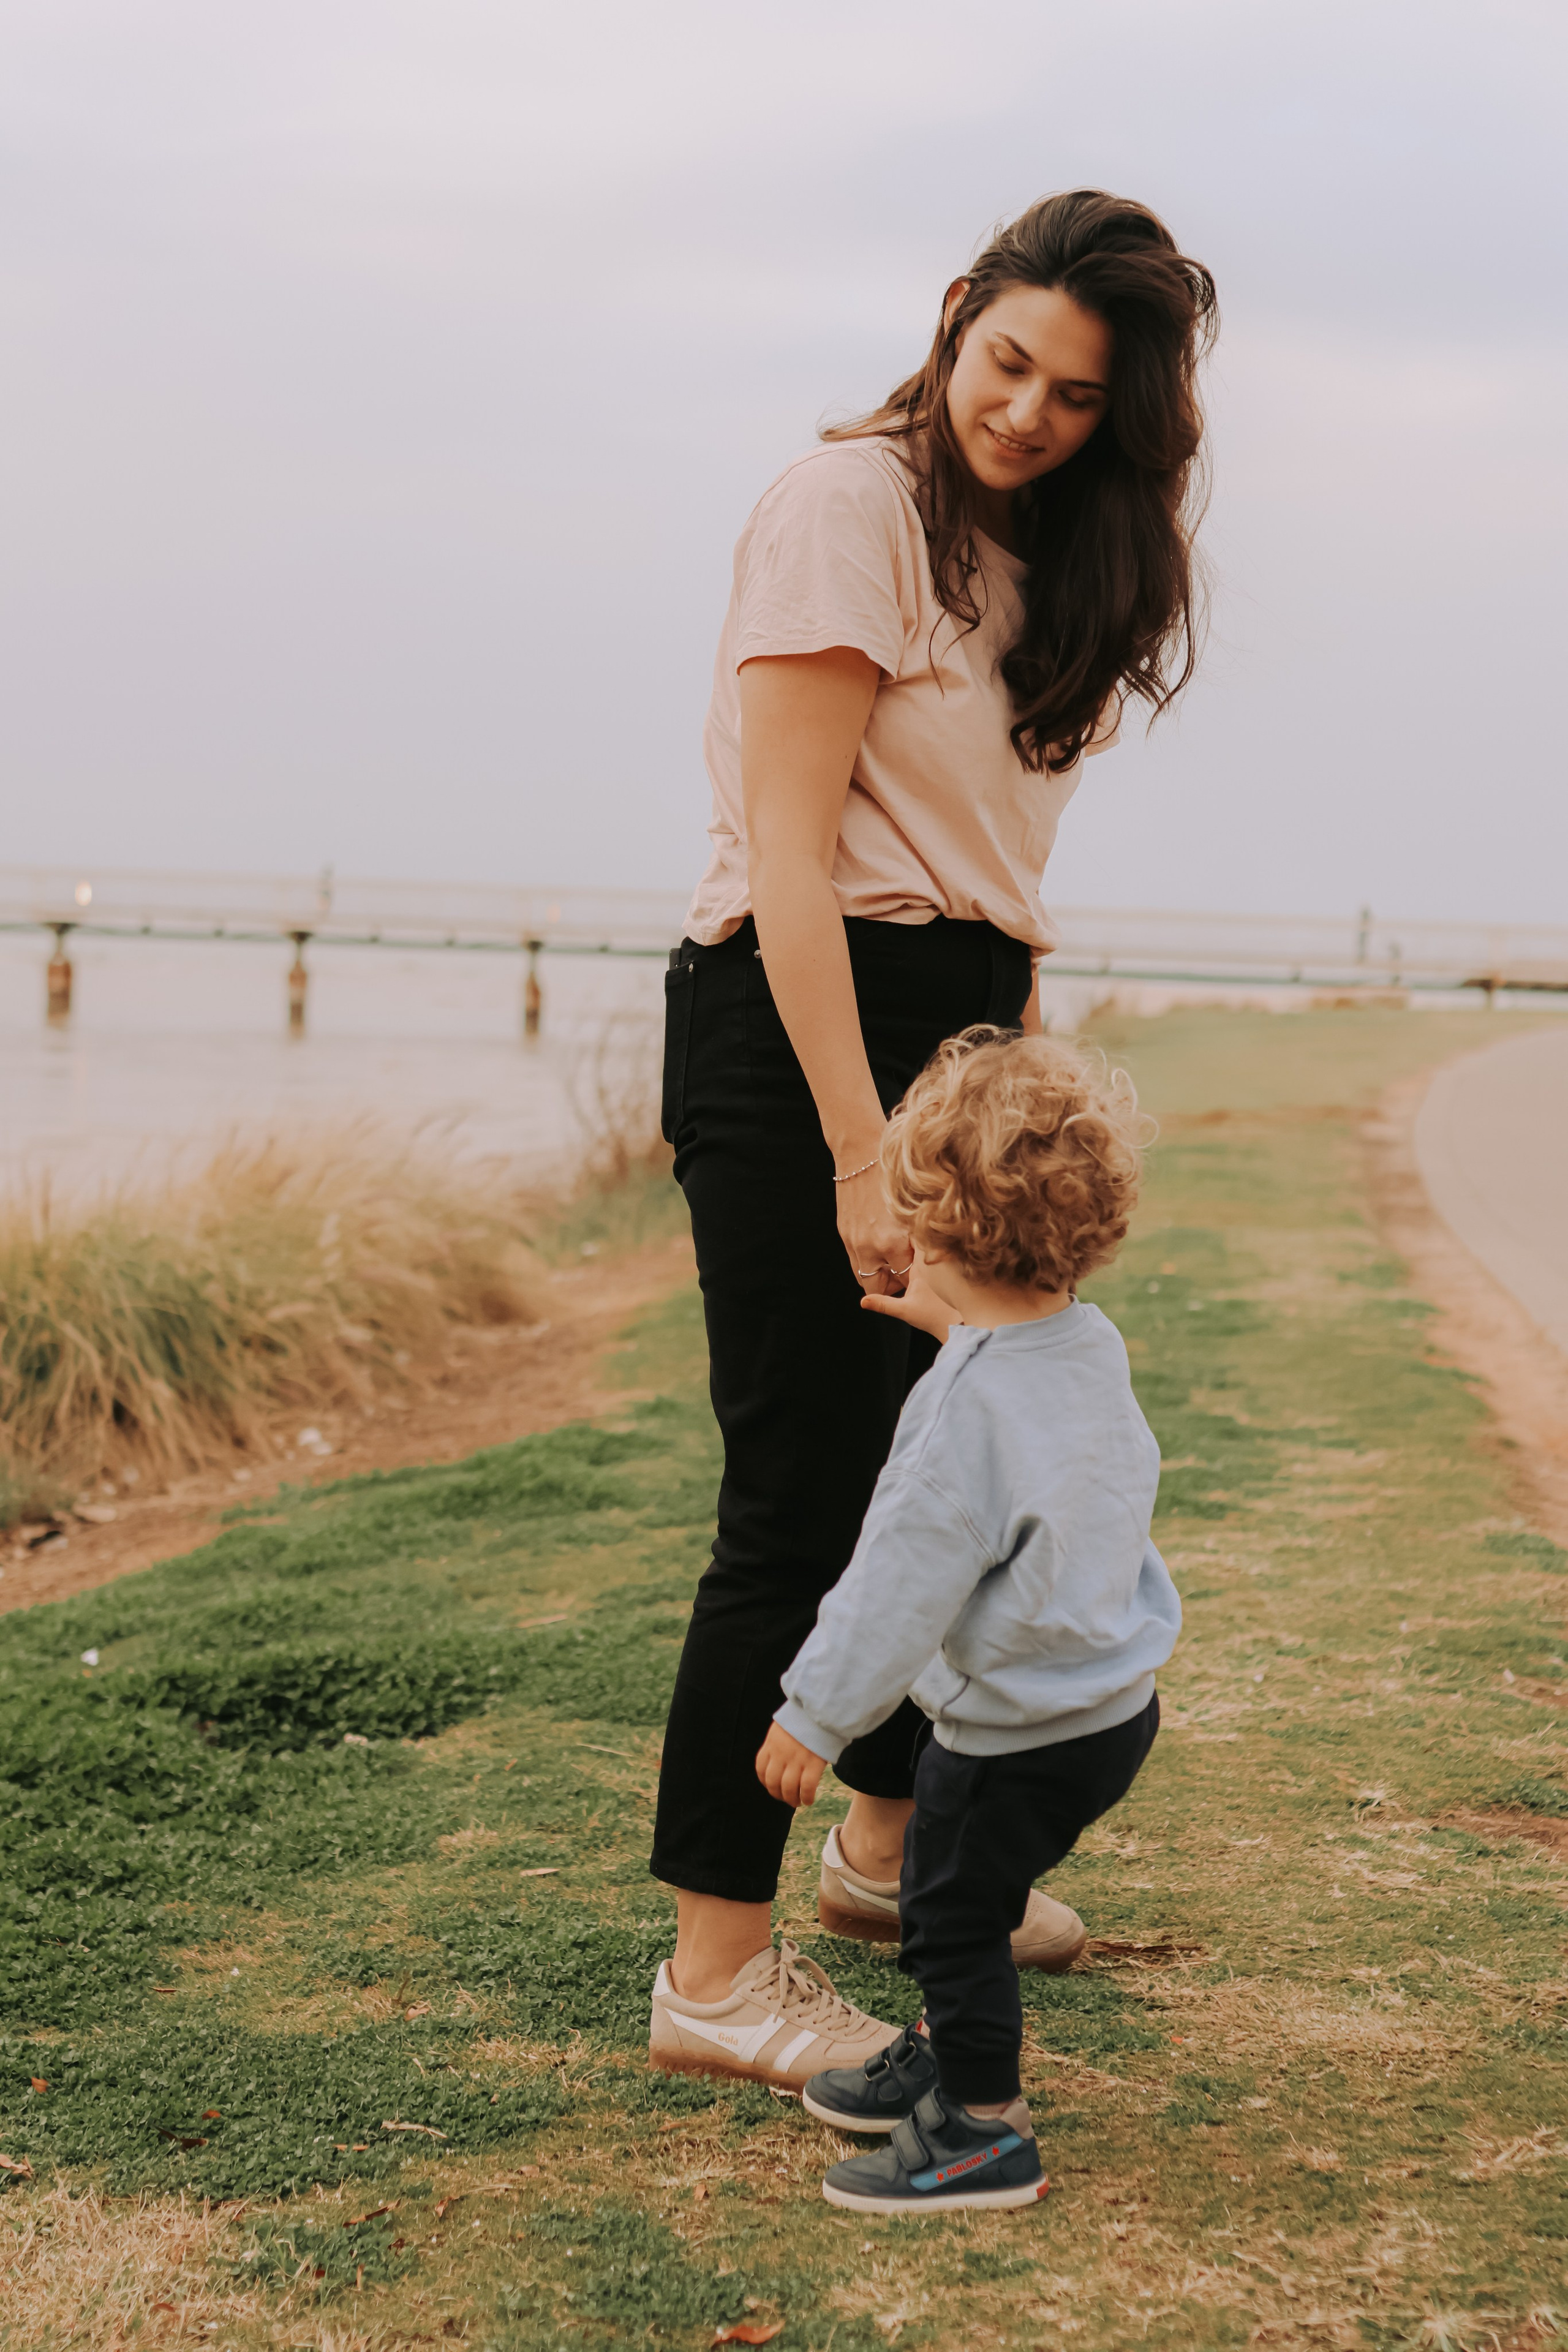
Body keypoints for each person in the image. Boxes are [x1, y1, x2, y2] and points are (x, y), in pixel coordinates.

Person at [647, 189, 1215, 2091]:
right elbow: (796, 866)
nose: (1027, 412)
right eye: (1006, 362)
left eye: (1074, 396)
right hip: (811, 1019)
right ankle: (713, 1974)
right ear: (954, 315)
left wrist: (1005, 1082)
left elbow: (994, 875)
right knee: (806, 1509)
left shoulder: (1049, 555)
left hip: (962, 1024)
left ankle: (889, 1868)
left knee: (951, 1468)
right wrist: (853, 1149)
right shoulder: (850, 510)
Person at [756, 1028, 1179, 2212]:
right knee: (976, 1898)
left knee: (946, 1919)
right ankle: (952, 2056)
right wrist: (953, 1330)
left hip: (1014, 1734)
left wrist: (815, 1716)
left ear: (936, 1230)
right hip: (1109, 1711)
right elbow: (1020, 1392)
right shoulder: (1083, 1341)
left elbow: (895, 1586)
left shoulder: (955, 1429)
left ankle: (985, 2133)